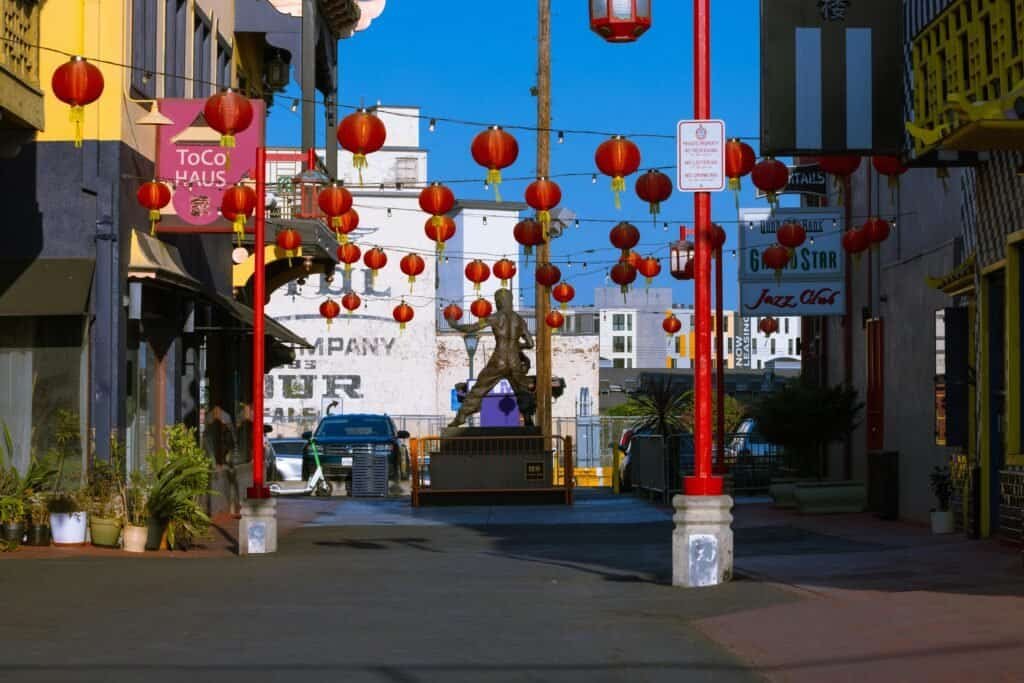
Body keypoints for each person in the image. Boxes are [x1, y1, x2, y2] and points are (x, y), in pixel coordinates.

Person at [447, 288, 536, 428]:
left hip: (499, 359)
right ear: (510, 301)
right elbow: (530, 343)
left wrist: (454, 325)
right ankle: (528, 419)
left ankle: (462, 416)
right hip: (514, 362)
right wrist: (517, 346)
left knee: (480, 388)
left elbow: (471, 328)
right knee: (521, 390)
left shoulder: (494, 317)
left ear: (499, 301)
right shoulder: (519, 320)